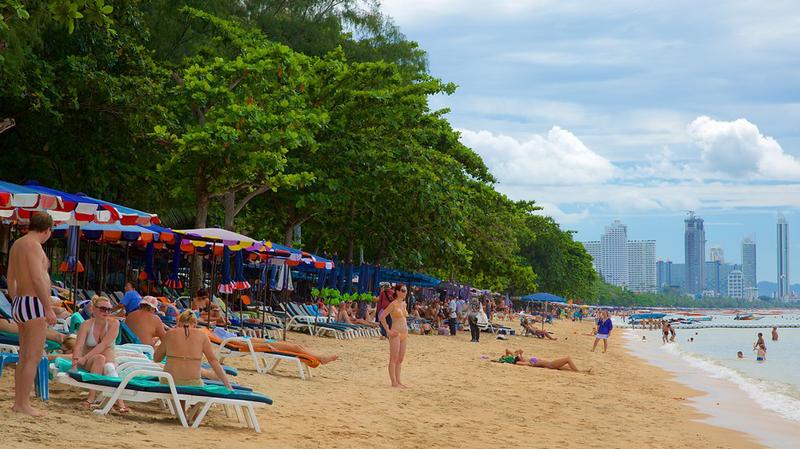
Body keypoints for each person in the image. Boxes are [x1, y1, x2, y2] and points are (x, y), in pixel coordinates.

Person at [6, 211, 56, 416]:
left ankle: (19, 402)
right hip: (33, 302)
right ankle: (23, 404)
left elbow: (10, 277)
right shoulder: (34, 246)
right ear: (48, 230)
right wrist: (48, 307)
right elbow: (36, 278)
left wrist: (15, 300)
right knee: (32, 357)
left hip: (20, 301)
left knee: (24, 356)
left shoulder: (18, 244)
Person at [72, 295, 128, 412]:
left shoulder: (114, 324)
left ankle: (118, 403)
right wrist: (75, 363)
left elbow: (103, 345)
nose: (106, 312)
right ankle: (92, 398)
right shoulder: (86, 325)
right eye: (102, 309)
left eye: (109, 309)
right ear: (94, 309)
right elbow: (78, 346)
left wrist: (84, 358)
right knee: (100, 359)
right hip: (90, 362)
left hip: (106, 360)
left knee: (108, 366)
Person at [154, 311, 232, 388]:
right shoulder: (202, 336)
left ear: (179, 322)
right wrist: (227, 384)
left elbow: (156, 358)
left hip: (169, 382)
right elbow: (213, 361)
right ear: (195, 323)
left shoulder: (170, 333)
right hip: (193, 384)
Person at [380, 283, 408, 388]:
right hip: (395, 333)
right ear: (397, 291)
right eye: (403, 290)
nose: (405, 293)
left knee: (400, 359)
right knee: (394, 358)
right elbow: (382, 316)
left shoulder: (404, 304)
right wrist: (388, 330)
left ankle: (398, 381)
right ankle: (393, 382)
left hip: (404, 333)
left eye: (405, 290)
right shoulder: (393, 304)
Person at [496, 349, 591, 373]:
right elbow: (525, 365)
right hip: (550, 364)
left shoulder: (523, 358)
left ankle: (583, 371)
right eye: (519, 356)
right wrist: (516, 360)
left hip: (549, 364)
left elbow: (507, 350)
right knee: (568, 359)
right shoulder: (523, 362)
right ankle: (578, 372)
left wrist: (512, 355)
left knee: (567, 368)